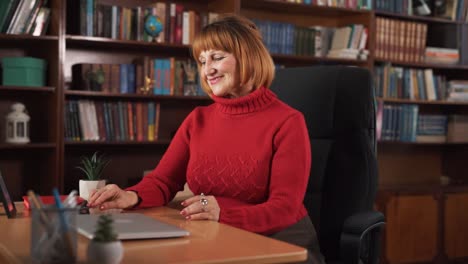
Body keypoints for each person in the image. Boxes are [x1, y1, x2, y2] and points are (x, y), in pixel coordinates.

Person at [87, 14, 325, 263]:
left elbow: (284, 207)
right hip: (217, 235)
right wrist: (131, 196)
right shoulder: (198, 119)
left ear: (248, 58)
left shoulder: (288, 121)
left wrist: (223, 215)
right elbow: (164, 181)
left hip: (281, 243)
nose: (207, 70)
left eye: (217, 58)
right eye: (202, 61)